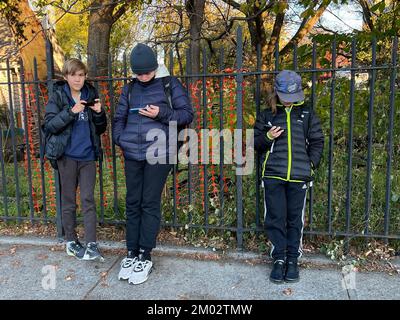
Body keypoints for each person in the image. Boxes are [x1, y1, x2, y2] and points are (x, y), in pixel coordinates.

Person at [113, 43, 193, 285]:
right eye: (139, 74)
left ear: (155, 68)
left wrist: (161, 113)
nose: (143, 77)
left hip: (159, 153)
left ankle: (145, 255)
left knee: (149, 202)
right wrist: (120, 140)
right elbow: (119, 118)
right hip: (132, 154)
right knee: (132, 202)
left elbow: (187, 114)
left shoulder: (170, 84)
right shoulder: (129, 89)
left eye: (147, 73)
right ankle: (131, 252)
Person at [254, 70, 324, 283]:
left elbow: (318, 142)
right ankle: (279, 259)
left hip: (299, 177)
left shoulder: (307, 115)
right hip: (273, 176)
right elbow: (255, 143)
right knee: (275, 219)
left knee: (295, 220)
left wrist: (311, 164)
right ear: (276, 92)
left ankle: (292, 260)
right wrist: (268, 136)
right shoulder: (267, 115)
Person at [44, 58, 107, 261]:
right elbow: (50, 126)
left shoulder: (91, 93)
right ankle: (71, 241)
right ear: (66, 77)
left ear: (85, 76)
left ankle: (92, 244)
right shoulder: (58, 96)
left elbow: (100, 128)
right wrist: (71, 112)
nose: (78, 79)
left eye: (81, 75)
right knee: (69, 201)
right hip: (67, 157)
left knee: (88, 199)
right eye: (73, 75)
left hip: (88, 156)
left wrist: (99, 114)